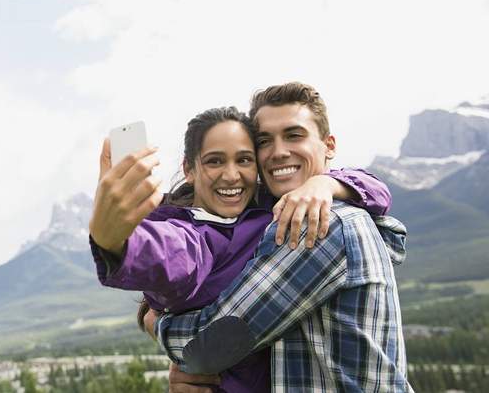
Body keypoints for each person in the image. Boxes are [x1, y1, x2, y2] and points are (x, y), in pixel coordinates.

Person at [89, 103, 392, 392]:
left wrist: (327, 184)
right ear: (189, 169)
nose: (231, 175)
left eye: (244, 160)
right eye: (215, 161)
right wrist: (115, 241)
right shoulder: (195, 233)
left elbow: (377, 191)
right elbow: (169, 253)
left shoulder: (272, 208)